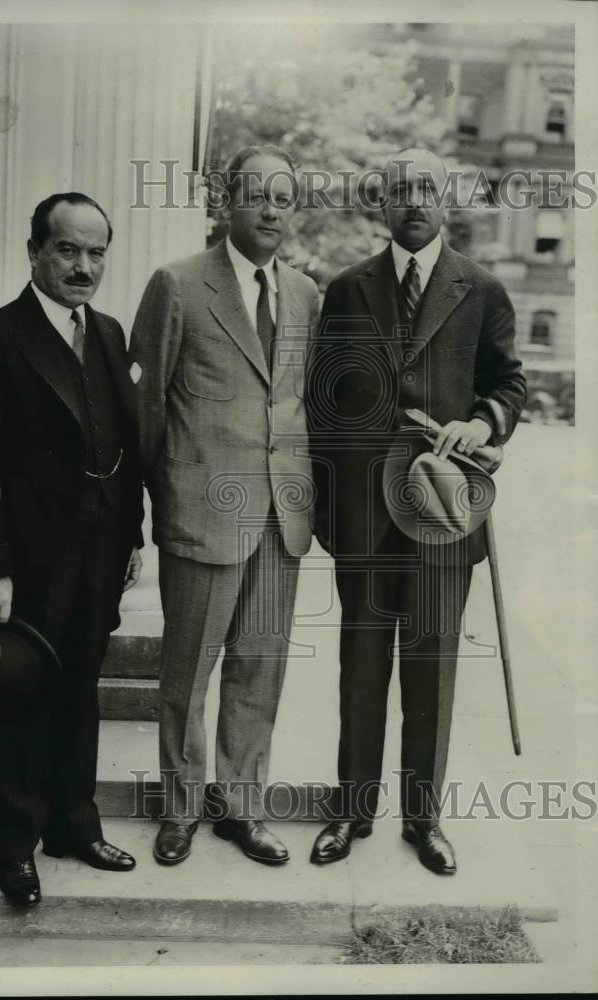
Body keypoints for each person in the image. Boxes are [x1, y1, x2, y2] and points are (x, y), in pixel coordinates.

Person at [307, 148, 526, 874]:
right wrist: (327, 515)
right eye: (397, 190)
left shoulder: (482, 289)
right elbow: (321, 409)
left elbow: (509, 384)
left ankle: (422, 820)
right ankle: (350, 811)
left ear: (448, 199)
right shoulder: (344, 291)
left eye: (425, 188)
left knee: (430, 669)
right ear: (380, 203)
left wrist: (484, 422)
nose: (411, 201)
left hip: (441, 514)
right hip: (364, 520)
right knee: (361, 667)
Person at [0, 193, 144, 905]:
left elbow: (126, 442)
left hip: (98, 551)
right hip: (24, 563)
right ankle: (16, 847)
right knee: (22, 696)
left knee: (80, 690)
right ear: (34, 253)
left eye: (95, 253)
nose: (83, 266)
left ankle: (73, 826)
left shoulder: (112, 334)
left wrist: (132, 536)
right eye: (67, 250)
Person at [129, 146, 319, 866]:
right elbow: (144, 409)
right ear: (226, 203)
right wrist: (154, 504)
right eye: (256, 195)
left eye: (283, 197)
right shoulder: (177, 286)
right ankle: (179, 808)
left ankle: (241, 807)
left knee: (259, 665)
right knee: (189, 669)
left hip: (282, 515)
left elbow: (304, 408)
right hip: (202, 512)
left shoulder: (305, 294)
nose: (271, 210)